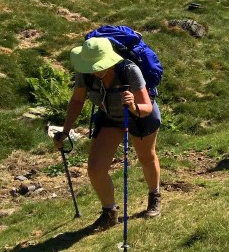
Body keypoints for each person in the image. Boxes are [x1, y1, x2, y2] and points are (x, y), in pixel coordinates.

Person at [53, 37, 162, 231]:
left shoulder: (129, 70)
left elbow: (146, 106)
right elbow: (77, 100)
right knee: (95, 168)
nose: (94, 69)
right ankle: (109, 213)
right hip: (110, 117)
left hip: (139, 116)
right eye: (90, 65)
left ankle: (155, 197)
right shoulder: (84, 73)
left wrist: (133, 106)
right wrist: (65, 130)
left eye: (97, 65)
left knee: (146, 157)